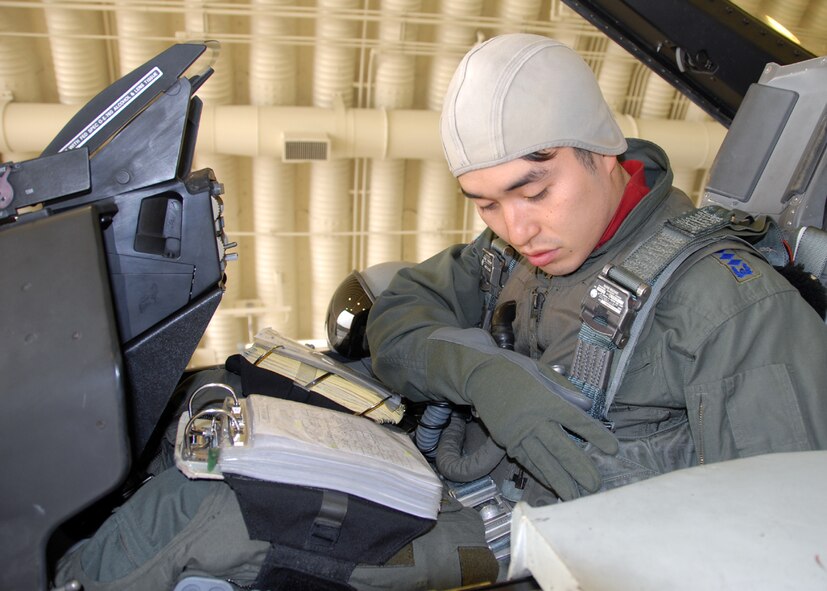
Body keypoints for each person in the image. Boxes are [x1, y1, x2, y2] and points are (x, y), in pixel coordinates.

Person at [53, 33, 827, 591]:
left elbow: (788, 544)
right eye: (485, 203)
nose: (515, 228)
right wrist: (484, 374)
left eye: (532, 189)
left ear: (603, 150)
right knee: (199, 410)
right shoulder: (512, 252)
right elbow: (396, 315)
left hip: (524, 533)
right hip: (437, 470)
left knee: (188, 517)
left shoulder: (728, 305)